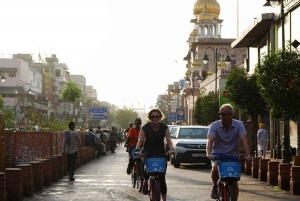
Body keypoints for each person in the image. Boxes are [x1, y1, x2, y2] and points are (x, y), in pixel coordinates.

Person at [206, 104, 251, 201]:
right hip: (217, 154)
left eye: (223, 114)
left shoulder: (239, 125)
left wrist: (248, 155)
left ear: (231, 115)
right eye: (220, 114)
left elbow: (244, 141)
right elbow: (210, 141)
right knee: (214, 169)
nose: (221, 116)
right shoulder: (215, 125)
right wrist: (209, 154)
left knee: (234, 180)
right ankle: (214, 187)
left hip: (232, 155)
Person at [135, 108, 174, 201]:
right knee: (148, 171)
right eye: (153, 117)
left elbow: (168, 140)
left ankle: (164, 199)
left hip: (161, 153)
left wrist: (171, 149)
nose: (155, 118)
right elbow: (140, 140)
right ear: (149, 118)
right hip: (148, 152)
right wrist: (137, 150)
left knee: (162, 176)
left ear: (160, 117)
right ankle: (145, 181)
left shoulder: (164, 127)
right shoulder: (145, 128)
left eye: (157, 116)